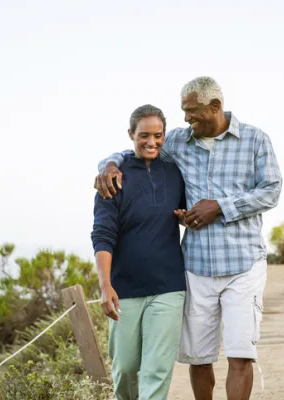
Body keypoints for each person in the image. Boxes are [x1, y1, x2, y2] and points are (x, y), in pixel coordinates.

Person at [95, 77, 283, 400]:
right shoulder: (179, 142)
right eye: (184, 112)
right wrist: (107, 164)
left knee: (239, 355)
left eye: (193, 112)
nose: (186, 119)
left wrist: (219, 207)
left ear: (215, 107)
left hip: (244, 265)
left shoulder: (255, 140)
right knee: (199, 359)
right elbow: (137, 148)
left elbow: (272, 191)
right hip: (196, 267)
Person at [91, 104, 187, 400]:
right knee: (125, 369)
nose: (151, 142)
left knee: (156, 371)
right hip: (125, 289)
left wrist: (186, 215)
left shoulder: (175, 172)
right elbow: (103, 236)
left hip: (169, 288)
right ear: (131, 134)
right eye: (144, 135)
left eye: (158, 135)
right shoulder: (113, 178)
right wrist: (105, 286)